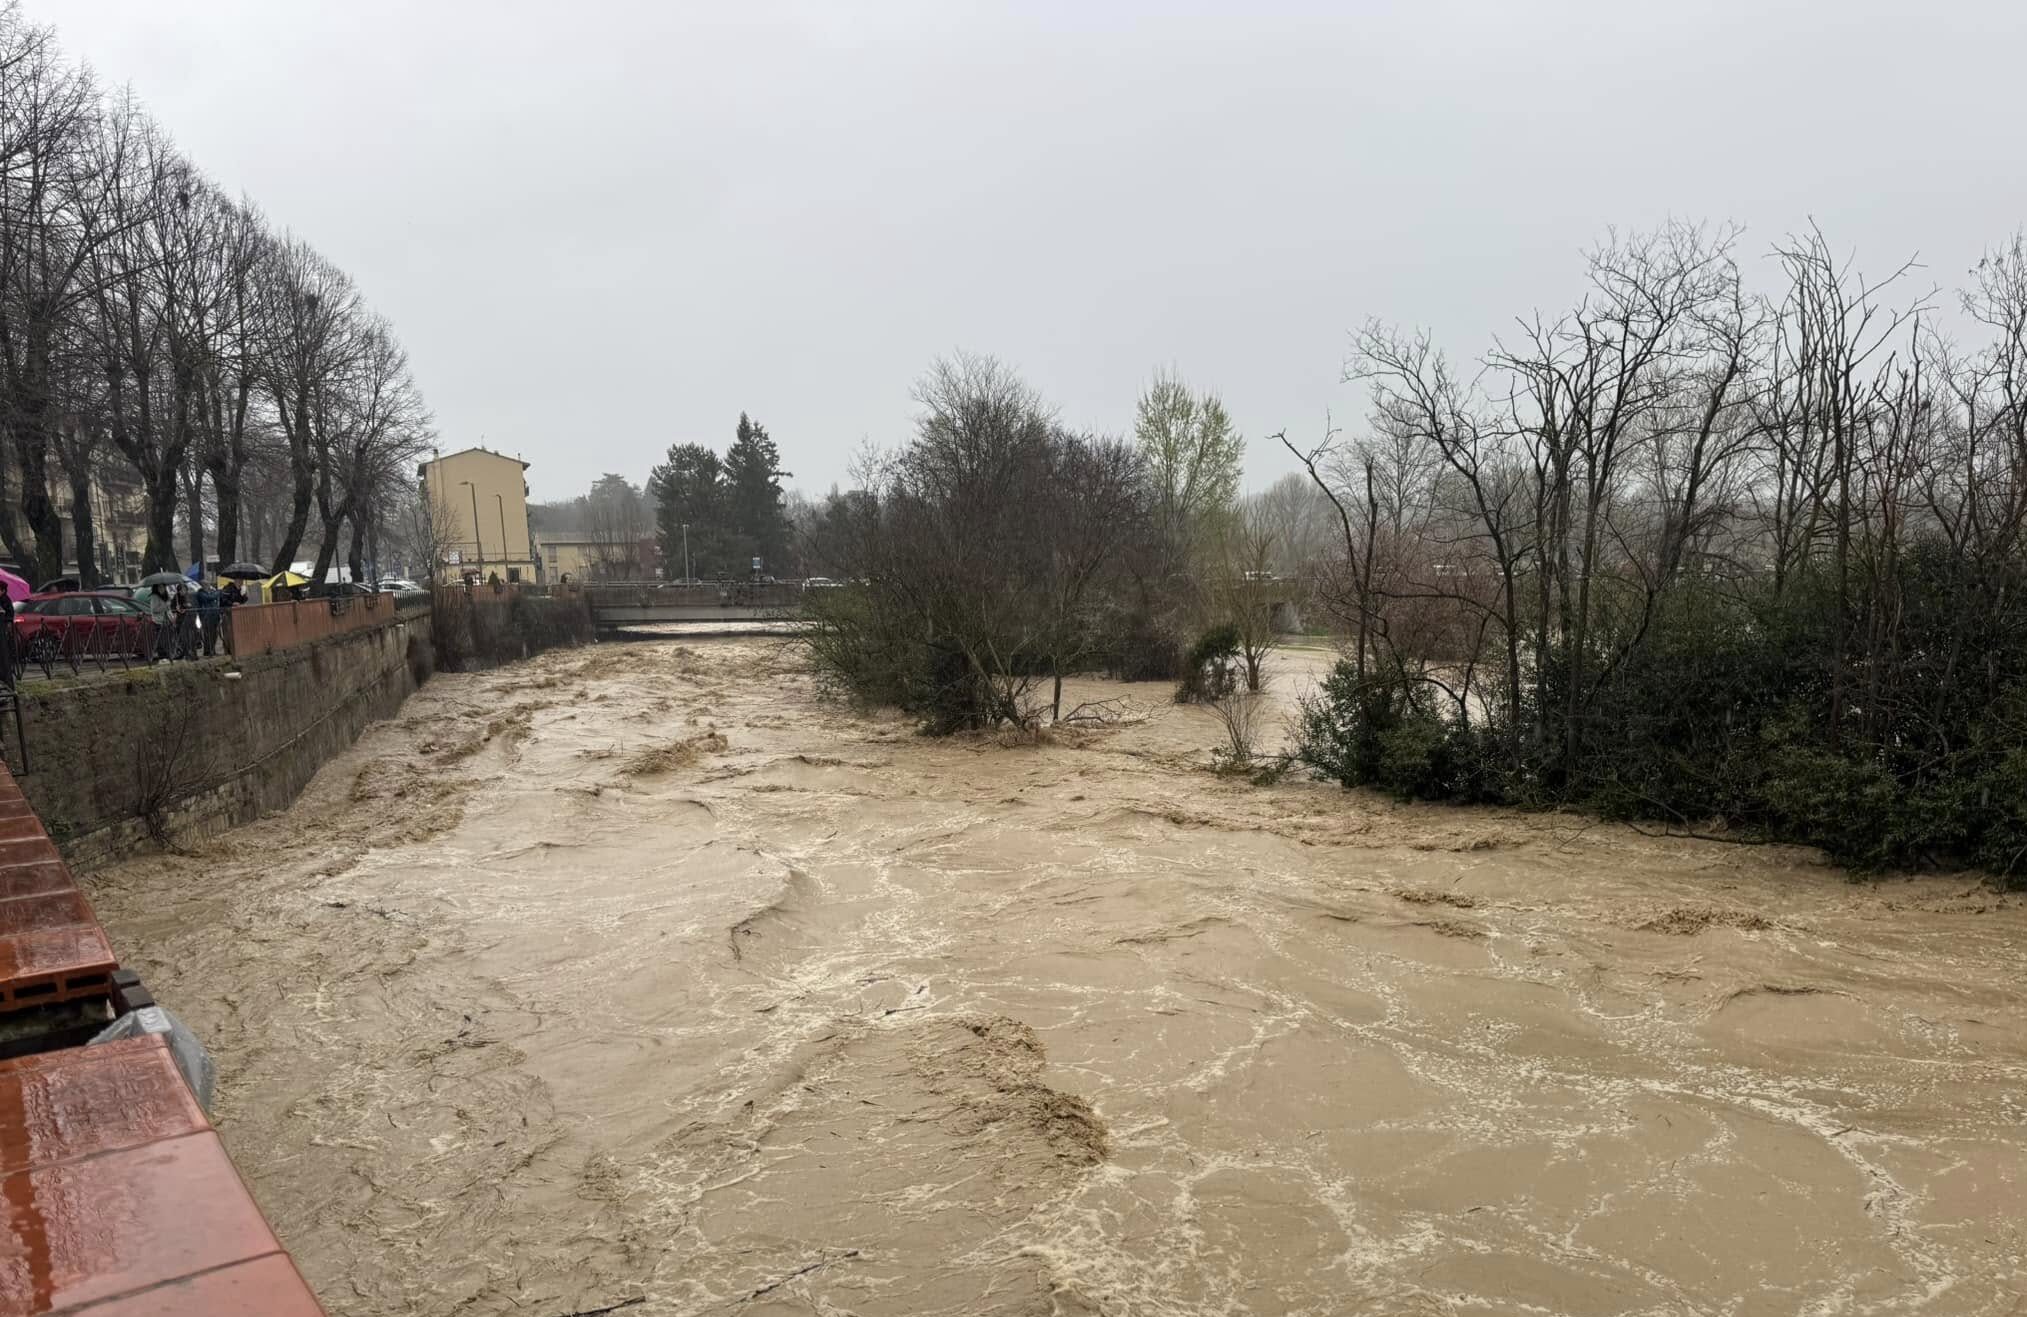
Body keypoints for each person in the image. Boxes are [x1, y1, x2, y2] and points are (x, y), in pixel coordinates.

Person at [146, 582, 174, 662]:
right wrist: (165, 605)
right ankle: (162, 657)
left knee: (168, 639)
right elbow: (154, 609)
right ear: (156, 588)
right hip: (159, 621)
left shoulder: (166, 596)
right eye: (160, 587)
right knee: (161, 639)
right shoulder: (154, 597)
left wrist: (172, 617)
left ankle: (169, 655)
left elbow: (169, 609)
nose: (162, 589)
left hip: (167, 620)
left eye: (163, 587)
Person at [195, 578, 221, 657]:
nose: (207, 586)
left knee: (215, 634)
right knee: (208, 634)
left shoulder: (212, 591)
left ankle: (213, 650)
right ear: (202, 586)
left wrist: (215, 593)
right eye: (205, 585)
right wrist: (217, 593)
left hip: (214, 615)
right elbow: (210, 597)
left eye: (208, 584)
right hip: (206, 616)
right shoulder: (200, 593)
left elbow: (214, 597)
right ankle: (207, 651)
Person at [172, 583, 197, 660]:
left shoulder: (189, 596)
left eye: (184, 590)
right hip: (181, 620)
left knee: (192, 638)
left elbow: (194, 605)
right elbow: (173, 608)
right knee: (184, 638)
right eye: (181, 590)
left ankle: (193, 654)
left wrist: (188, 606)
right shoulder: (175, 598)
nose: (183, 591)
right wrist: (177, 609)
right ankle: (186, 654)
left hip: (190, 619)